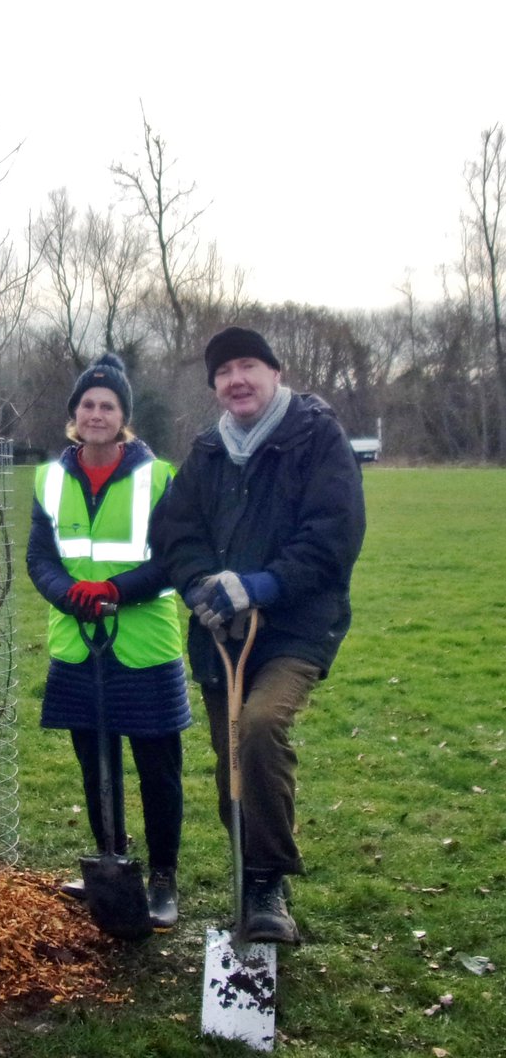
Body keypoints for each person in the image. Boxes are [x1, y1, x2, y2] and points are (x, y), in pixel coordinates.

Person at [157, 326, 366, 943]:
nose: (236, 380)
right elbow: (174, 532)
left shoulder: (316, 437)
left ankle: (269, 880)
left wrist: (262, 586)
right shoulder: (208, 451)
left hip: (296, 627)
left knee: (260, 726)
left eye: (248, 366)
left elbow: (334, 533)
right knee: (233, 761)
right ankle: (251, 877)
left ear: (274, 372)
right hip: (223, 633)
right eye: (223, 372)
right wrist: (200, 584)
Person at [27, 353, 191, 930]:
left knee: (157, 767)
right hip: (78, 644)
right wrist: (67, 592)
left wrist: (114, 590)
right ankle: (111, 859)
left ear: (124, 417)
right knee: (94, 764)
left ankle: (164, 875)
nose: (97, 414)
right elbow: (39, 557)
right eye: (88, 404)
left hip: (143, 644)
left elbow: (174, 560)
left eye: (109, 406)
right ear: (75, 413)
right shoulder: (50, 478)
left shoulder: (161, 478)